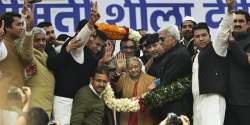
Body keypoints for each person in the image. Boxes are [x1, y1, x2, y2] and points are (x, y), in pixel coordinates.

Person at [47, 2, 109, 124]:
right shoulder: (73, 45)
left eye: (93, 35)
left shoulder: (91, 56)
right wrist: (91, 23)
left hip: (80, 102)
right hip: (63, 101)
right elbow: (80, 39)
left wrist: (101, 63)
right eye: (90, 34)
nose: (91, 38)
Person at [192, 1, 234, 124]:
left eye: (204, 35)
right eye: (197, 36)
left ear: (210, 36)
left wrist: (229, 10)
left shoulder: (216, 48)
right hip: (198, 101)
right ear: (194, 39)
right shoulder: (196, 56)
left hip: (212, 100)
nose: (201, 38)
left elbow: (223, 30)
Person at [147, 25, 193, 120]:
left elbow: (167, 81)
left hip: (177, 107)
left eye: (162, 39)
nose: (159, 42)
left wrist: (150, 94)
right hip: (171, 105)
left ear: (172, 38)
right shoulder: (171, 52)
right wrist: (157, 82)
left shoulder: (179, 54)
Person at [0, 1, 34, 124]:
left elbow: (27, 58)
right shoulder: (3, 44)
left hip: (15, 103)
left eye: (22, 24)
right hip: (5, 104)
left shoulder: (13, 44)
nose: (22, 27)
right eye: (18, 24)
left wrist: (29, 28)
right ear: (7, 28)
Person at [224, 7, 250, 125]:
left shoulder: (232, 42)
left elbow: (245, 62)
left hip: (245, 102)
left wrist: (232, 42)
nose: (237, 24)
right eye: (234, 21)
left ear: (248, 24)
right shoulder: (225, 42)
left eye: (241, 21)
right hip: (226, 101)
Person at [116, 57, 156, 125]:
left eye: (135, 67)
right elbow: (116, 92)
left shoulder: (151, 80)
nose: (133, 70)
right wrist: (118, 72)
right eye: (130, 68)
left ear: (140, 66)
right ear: (127, 70)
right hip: (127, 116)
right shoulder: (123, 79)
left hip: (145, 117)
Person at [25, 27, 55, 118]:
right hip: (34, 108)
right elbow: (26, 49)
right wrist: (29, 29)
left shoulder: (50, 59)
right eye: (37, 40)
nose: (41, 43)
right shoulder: (29, 57)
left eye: (43, 40)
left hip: (48, 108)